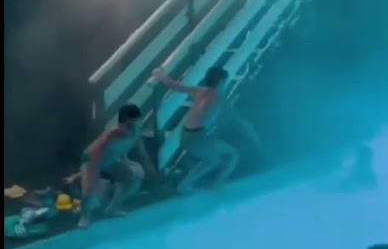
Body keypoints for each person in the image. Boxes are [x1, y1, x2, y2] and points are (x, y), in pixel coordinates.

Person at [152, 66, 261, 194]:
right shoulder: (220, 98)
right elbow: (239, 121)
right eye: (225, 82)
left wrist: (160, 75)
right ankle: (216, 184)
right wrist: (254, 136)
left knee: (212, 159)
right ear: (221, 82)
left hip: (185, 136)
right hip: (197, 138)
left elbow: (174, 85)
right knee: (232, 155)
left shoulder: (198, 91)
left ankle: (186, 185)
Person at [79, 104, 157, 228]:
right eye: (134, 121)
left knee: (132, 176)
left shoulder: (136, 135)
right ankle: (84, 216)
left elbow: (143, 154)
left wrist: (150, 169)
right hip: (91, 160)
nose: (138, 124)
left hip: (110, 161)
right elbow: (96, 151)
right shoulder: (114, 133)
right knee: (88, 191)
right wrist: (94, 176)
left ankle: (112, 208)